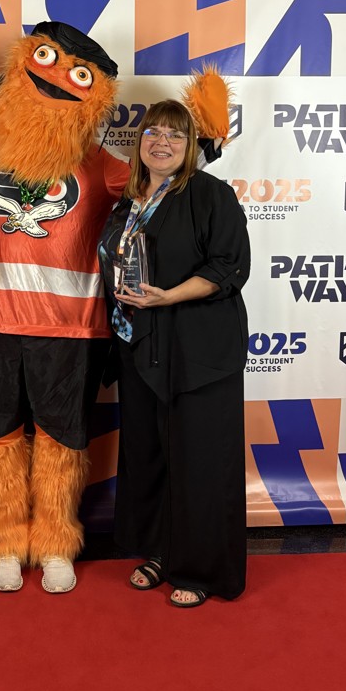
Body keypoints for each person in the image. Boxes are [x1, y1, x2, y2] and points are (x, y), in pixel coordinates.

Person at [0, 21, 130, 594]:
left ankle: (56, 543)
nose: (58, 82)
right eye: (49, 62)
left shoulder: (100, 164)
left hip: (71, 330)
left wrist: (200, 144)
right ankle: (4, 544)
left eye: (78, 76)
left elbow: (161, 190)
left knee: (62, 439)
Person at [98, 98, 250, 607]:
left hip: (198, 351)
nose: (162, 142)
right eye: (153, 132)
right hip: (141, 348)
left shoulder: (209, 194)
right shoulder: (128, 201)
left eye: (175, 135)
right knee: (152, 457)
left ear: (190, 147)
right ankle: (161, 552)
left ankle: (201, 569)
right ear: (139, 141)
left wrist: (169, 296)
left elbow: (229, 267)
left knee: (200, 461)